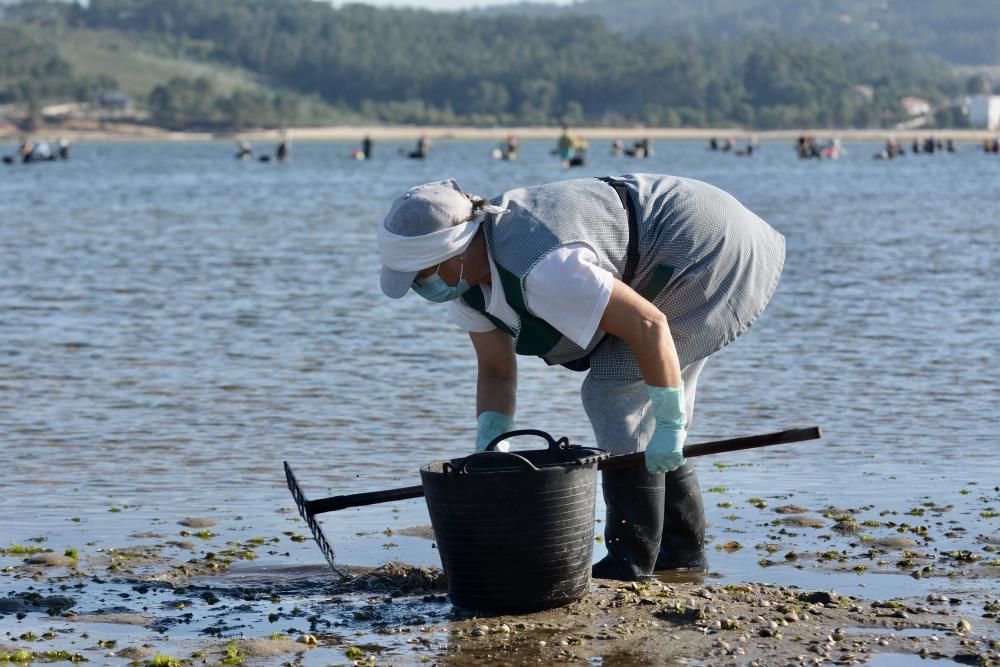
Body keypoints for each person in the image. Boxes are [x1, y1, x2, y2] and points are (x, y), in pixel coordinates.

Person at [376, 174, 785, 580]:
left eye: (420, 275)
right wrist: (490, 451)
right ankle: (680, 554)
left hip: (705, 242)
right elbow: (497, 371)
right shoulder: (471, 289)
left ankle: (632, 560)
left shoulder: (544, 267)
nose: (418, 287)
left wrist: (671, 422)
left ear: (456, 251)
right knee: (637, 412)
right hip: (664, 251)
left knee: (613, 395)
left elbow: (648, 325)